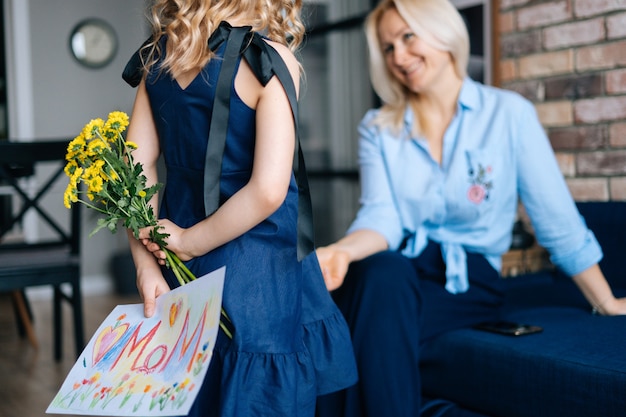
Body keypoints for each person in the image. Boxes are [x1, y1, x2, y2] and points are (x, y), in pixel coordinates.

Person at [314, 0, 626, 416]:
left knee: (353, 324)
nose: (399, 57)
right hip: (395, 270)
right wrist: (342, 251)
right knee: (381, 274)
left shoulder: (509, 114)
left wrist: (605, 300)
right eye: (388, 48)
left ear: (443, 31)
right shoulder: (379, 127)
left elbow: (555, 219)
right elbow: (381, 216)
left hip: (467, 278)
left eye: (408, 37)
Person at [121, 1, 357, 416]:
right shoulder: (269, 57)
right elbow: (268, 191)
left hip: (174, 249)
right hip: (255, 264)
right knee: (254, 388)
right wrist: (191, 243)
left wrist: (146, 265)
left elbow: (133, 168)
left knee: (190, 379)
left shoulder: (158, 56)